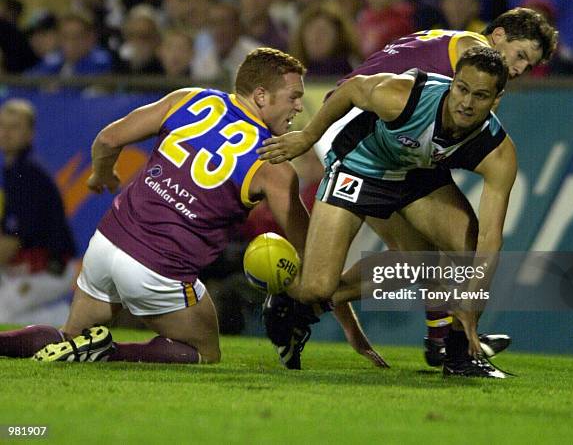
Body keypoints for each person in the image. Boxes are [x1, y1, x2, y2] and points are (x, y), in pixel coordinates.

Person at [0, 48, 384, 368]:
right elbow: (314, 259)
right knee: (203, 351)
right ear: (262, 95)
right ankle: (109, 351)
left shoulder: (191, 98)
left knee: (69, 340)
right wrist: (351, 330)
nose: (300, 107)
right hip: (159, 268)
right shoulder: (274, 166)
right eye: (293, 97)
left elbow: (108, 138)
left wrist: (102, 175)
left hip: (106, 243)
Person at [265, 7, 558, 370]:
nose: (518, 69)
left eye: (528, 65)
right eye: (520, 56)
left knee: (446, 253)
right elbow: (361, 91)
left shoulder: (460, 67)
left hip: (406, 148)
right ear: (497, 36)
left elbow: (489, 241)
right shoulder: (472, 52)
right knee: (390, 266)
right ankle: (301, 302)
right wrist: (308, 136)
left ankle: (451, 340)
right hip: (364, 141)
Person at [0, 99, 77, 324]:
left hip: (52, 269)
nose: (5, 133)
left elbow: (11, 243)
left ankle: (64, 319)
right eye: (2, 126)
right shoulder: (13, 170)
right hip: (25, 268)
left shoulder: (29, 174)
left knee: (3, 313)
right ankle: (60, 317)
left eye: (14, 127)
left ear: (30, 134)